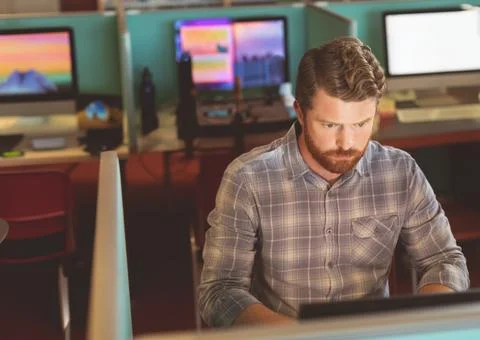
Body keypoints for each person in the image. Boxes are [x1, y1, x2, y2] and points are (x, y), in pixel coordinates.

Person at [198, 37, 469, 328]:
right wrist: (298, 335)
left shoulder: (400, 172)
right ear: (300, 113)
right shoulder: (247, 179)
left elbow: (445, 261)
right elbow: (220, 291)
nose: (347, 142)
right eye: (330, 125)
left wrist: (421, 322)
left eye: (361, 124)